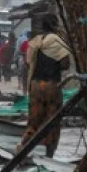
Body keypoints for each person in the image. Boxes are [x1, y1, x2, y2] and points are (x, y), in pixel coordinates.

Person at [21, 14, 71, 157]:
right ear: (55, 25)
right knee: (52, 121)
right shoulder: (56, 42)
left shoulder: (34, 42)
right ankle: (48, 154)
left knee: (34, 120)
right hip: (51, 87)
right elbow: (65, 63)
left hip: (35, 86)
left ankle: (25, 151)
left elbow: (28, 63)